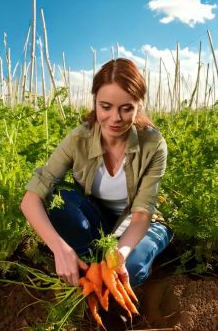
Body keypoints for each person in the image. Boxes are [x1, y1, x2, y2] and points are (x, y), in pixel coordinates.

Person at [20, 58, 172, 288]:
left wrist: (119, 256)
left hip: (136, 222)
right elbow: (31, 199)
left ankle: (128, 267)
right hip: (97, 219)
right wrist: (60, 249)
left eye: (126, 108)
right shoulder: (79, 138)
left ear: (139, 105)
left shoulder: (152, 144)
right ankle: (87, 268)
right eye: (106, 107)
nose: (115, 118)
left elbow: (141, 216)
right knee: (58, 199)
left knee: (129, 269)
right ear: (95, 102)